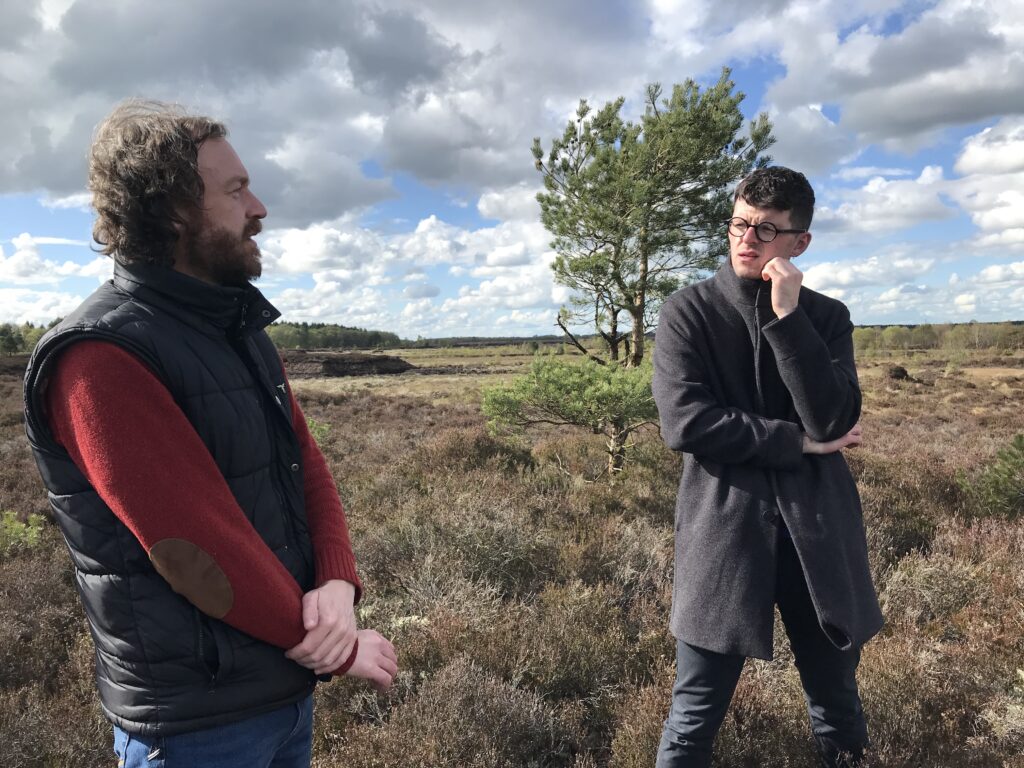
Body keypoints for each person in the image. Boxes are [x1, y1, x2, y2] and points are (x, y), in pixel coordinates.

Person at [23, 100, 398, 768]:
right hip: (195, 726)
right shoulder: (99, 356)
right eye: (235, 190)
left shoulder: (238, 331)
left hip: (281, 694)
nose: (259, 208)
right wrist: (337, 646)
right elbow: (193, 546)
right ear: (173, 211)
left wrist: (339, 582)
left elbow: (304, 464)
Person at [651, 166, 883, 767]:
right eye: (738, 224)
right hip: (723, 532)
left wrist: (788, 317)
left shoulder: (825, 317)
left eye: (766, 230)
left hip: (820, 535)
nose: (746, 239)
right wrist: (795, 443)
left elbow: (832, 420)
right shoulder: (687, 312)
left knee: (837, 705)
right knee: (693, 716)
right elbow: (686, 423)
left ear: (799, 242)